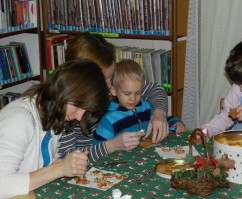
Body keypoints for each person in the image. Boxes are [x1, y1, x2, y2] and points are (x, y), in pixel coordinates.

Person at [0, 59, 109, 199]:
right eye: (79, 106)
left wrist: (67, 165)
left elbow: (41, 165)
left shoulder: (53, 114)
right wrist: (60, 168)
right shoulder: (19, 118)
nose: (80, 116)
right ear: (65, 90)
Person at [58, 33, 170, 161]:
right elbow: (68, 161)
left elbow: (155, 89)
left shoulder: (112, 85)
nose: (109, 85)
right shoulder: (67, 106)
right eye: (102, 78)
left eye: (110, 76)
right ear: (81, 76)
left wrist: (159, 113)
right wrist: (111, 145)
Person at [93, 59, 185, 145]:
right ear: (114, 90)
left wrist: (175, 123)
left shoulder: (146, 107)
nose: (133, 98)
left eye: (138, 93)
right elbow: (99, 146)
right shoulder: (109, 119)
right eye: (127, 93)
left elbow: (163, 120)